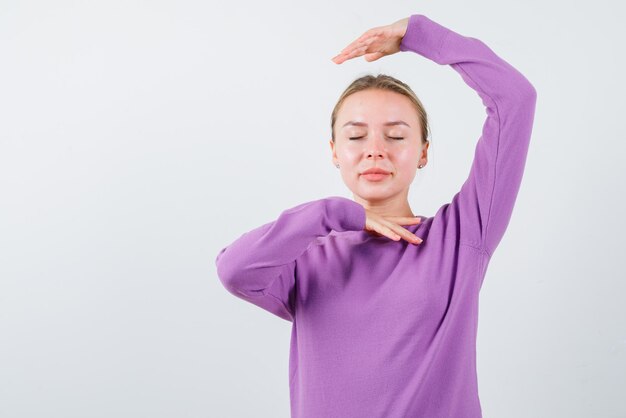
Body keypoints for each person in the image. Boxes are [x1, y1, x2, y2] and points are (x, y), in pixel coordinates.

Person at [215, 13, 537, 418]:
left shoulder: (460, 238)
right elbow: (233, 270)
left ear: (423, 152)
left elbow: (515, 99)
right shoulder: (308, 259)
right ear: (334, 151)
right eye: (355, 135)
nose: (375, 149)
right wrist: (334, 213)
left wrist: (419, 35)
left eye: (397, 135)